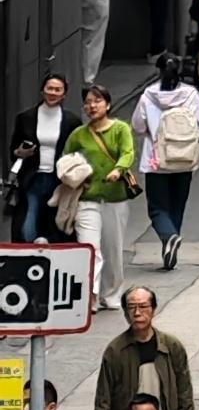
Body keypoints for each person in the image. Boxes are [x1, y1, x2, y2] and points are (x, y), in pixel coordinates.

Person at [92, 284, 195, 410]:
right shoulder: (116, 350)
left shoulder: (171, 347)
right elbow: (103, 395)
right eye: (131, 307)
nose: (137, 313)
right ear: (125, 313)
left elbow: (184, 391)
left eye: (143, 306)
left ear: (153, 309)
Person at [132, 52, 199, 272]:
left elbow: (137, 125)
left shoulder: (148, 95)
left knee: (156, 208)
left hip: (156, 161)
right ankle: (171, 244)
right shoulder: (191, 94)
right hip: (184, 159)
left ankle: (169, 237)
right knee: (177, 206)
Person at [67, 80, 137, 302]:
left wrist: (118, 170)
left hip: (115, 199)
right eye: (88, 102)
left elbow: (128, 153)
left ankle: (112, 295)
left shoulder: (120, 129)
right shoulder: (78, 134)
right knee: (90, 248)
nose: (92, 106)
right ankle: (92, 295)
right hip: (86, 199)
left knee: (113, 249)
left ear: (108, 104)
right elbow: (65, 160)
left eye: (97, 101)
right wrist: (74, 175)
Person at [8, 69, 71, 242]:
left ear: (64, 94)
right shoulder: (25, 118)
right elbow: (14, 149)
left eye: (58, 90)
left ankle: (53, 259)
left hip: (59, 178)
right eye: (49, 88)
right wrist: (20, 153)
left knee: (56, 220)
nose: (53, 93)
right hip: (33, 177)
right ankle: (28, 256)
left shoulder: (72, 121)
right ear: (42, 91)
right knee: (29, 218)